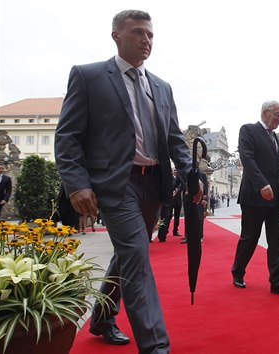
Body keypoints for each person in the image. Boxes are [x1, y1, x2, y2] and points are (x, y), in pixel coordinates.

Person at [54, 9, 203, 353]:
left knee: (126, 255)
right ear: (116, 36)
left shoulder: (162, 87)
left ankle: (102, 319)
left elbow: (174, 139)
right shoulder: (88, 76)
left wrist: (192, 175)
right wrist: (77, 184)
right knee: (136, 255)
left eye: (150, 35)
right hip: (116, 184)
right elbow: (68, 136)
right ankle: (155, 346)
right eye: (138, 33)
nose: (146, 40)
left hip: (154, 185)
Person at [231, 100, 279, 297]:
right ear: (265, 113)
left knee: (277, 240)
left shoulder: (276, 138)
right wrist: (262, 184)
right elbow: (247, 158)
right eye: (277, 114)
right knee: (249, 237)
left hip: (275, 198)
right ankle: (238, 272)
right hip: (253, 195)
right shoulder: (248, 130)